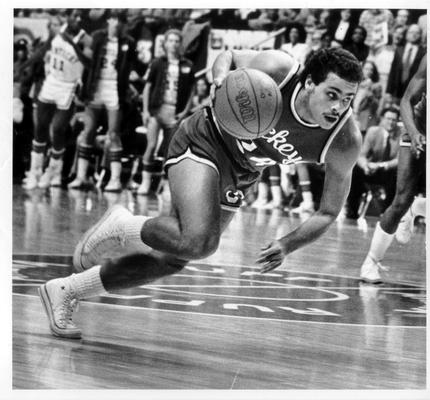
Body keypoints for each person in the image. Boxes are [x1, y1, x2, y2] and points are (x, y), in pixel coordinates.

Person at [38, 47, 363, 338]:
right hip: (205, 137)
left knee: (175, 258)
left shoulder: (344, 140)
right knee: (199, 242)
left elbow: (328, 211)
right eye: (332, 94)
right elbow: (230, 57)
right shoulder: (279, 70)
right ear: (308, 84)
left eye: (348, 98)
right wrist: (222, 78)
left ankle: (68, 290)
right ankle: (123, 226)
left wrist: (287, 244)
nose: (339, 106)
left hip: (243, 171)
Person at [360, 55, 426, 283]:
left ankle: (418, 207)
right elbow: (406, 100)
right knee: (401, 200)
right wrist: (416, 133)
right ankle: (371, 262)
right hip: (419, 127)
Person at [23, 9, 92, 190]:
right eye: (75, 16)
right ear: (67, 17)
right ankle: (35, 171)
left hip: (68, 86)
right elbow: (42, 51)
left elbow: (90, 64)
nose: (77, 19)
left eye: (80, 16)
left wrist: (73, 45)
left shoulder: (86, 39)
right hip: (51, 82)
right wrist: (23, 66)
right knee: (40, 127)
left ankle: (52, 173)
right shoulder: (57, 31)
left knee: (58, 128)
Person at [68, 11, 136, 191]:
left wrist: (128, 86)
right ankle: (81, 177)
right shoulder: (97, 37)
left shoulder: (128, 42)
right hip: (96, 87)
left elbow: (128, 68)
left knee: (114, 133)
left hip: (115, 88)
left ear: (123, 24)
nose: (116, 23)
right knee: (89, 130)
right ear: (108, 21)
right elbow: (88, 62)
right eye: (113, 19)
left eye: (119, 20)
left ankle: (115, 179)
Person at [137, 29, 195, 195]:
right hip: (157, 109)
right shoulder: (157, 63)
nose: (173, 44)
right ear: (165, 43)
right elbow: (148, 87)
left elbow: (191, 90)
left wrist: (184, 112)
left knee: (170, 150)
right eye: (170, 40)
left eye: (177, 41)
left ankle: (166, 185)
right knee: (152, 144)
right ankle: (145, 182)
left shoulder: (187, 65)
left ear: (180, 44)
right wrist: (146, 111)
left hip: (174, 111)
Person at [346, 107, 401, 219]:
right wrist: (365, 165)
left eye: (394, 120)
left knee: (397, 174)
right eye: (388, 119)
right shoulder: (373, 131)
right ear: (382, 119)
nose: (391, 122)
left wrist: (381, 165)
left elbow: (399, 160)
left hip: (388, 171)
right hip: (372, 169)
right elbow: (361, 155)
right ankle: (352, 211)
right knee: (355, 170)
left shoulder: (402, 134)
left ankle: (386, 214)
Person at [386, 24, 425, 105]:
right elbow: (392, 72)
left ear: (421, 35)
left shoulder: (423, 52)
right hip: (396, 91)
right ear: (407, 34)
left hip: (412, 92)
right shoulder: (399, 49)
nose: (414, 34)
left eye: (417, 33)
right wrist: (388, 91)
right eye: (411, 32)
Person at [353, 60, 383, 135]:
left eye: (371, 69)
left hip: (365, 119)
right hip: (353, 116)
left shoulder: (376, 86)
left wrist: (371, 95)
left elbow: (376, 106)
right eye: (366, 69)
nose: (369, 71)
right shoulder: (355, 84)